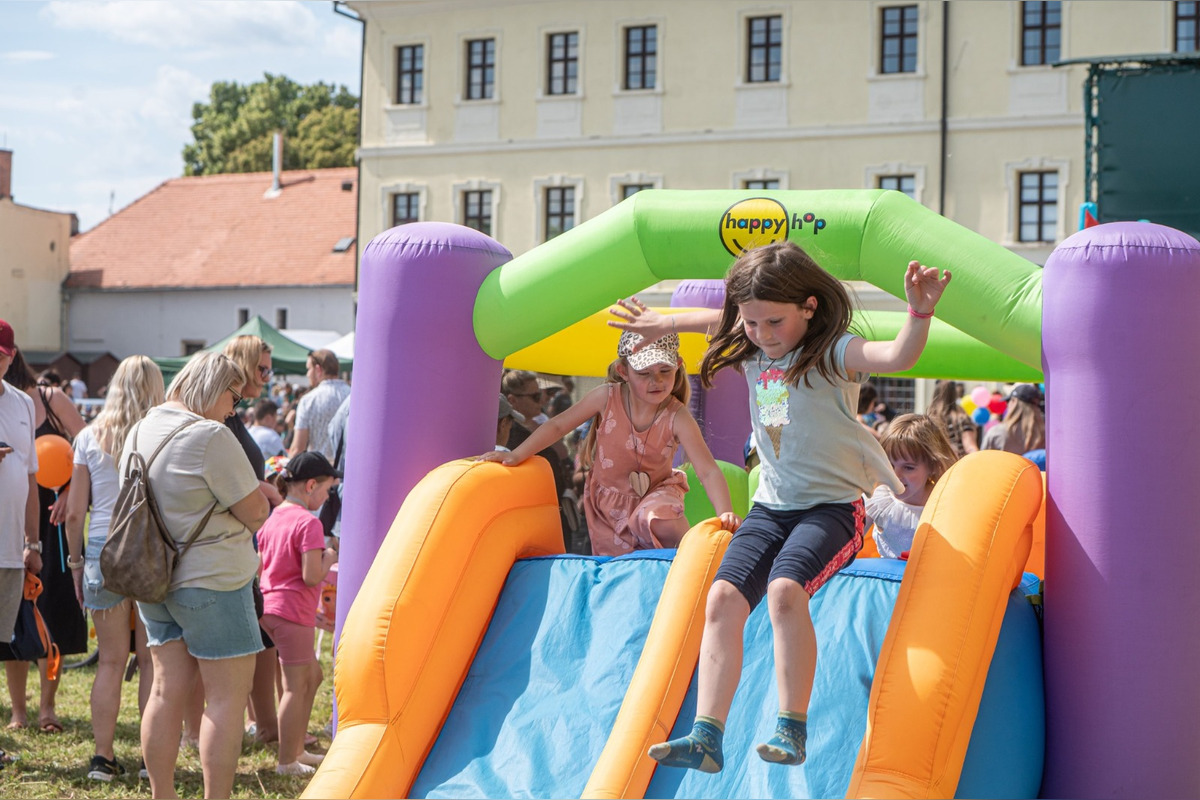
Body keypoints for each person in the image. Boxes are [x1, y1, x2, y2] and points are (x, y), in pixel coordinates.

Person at [610, 240, 950, 771]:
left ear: (809, 307)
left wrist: (919, 311)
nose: (762, 335)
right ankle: (706, 735)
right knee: (722, 598)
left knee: (785, 591)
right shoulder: (751, 348)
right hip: (771, 506)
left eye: (775, 322)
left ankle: (791, 728)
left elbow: (896, 357)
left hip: (832, 509)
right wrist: (663, 323)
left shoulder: (832, 352)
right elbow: (715, 318)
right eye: (751, 323)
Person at [127, 351, 269, 800]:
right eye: (234, 397)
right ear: (213, 388)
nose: (235, 409)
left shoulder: (141, 426)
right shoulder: (211, 435)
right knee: (227, 699)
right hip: (213, 580)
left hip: (152, 576)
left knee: (165, 692)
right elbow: (257, 512)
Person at [482, 332, 742, 555]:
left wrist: (725, 514)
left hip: (656, 492)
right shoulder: (607, 397)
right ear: (623, 371)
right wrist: (516, 455)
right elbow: (558, 425)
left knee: (656, 517)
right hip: (608, 503)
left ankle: (686, 558)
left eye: (665, 371)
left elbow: (707, 470)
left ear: (679, 366)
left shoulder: (676, 416)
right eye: (645, 373)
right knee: (616, 566)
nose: (657, 381)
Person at [64, 355, 164, 781]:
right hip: (146, 549)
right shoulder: (160, 436)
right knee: (150, 661)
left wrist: (73, 562)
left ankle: (102, 758)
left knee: (108, 662)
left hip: (102, 549)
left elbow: (73, 513)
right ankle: (149, 760)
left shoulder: (88, 436)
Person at [1, 344, 87, 733]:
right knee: (14, 621)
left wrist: (70, 490)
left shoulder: (49, 399)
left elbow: (88, 448)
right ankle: (18, 712)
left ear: (13, 355)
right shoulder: (10, 403)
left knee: (52, 612)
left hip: (52, 526)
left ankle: (47, 709)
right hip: (13, 521)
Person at [258, 451, 340, 776]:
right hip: (293, 612)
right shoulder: (309, 522)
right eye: (327, 489)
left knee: (313, 676)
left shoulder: (275, 515)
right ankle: (287, 761)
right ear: (310, 486)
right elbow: (310, 575)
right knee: (294, 687)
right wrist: (330, 556)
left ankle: (296, 750)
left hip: (270, 608)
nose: (327, 496)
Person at [221, 335, 282, 749]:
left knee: (258, 633)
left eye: (269, 370)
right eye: (261, 369)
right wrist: (264, 488)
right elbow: (224, 474)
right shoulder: (223, 417)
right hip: (227, 545)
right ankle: (256, 727)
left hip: (245, 540)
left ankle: (267, 727)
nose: (267, 377)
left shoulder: (234, 415)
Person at [0, 322, 43, 750]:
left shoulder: (22, 404)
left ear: (10, 357)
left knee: (2, 643)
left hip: (12, 550)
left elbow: (32, 480)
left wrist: (33, 543)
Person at [864, 414, 958, 560]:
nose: (895, 475)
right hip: (887, 580)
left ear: (932, 466)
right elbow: (847, 542)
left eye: (908, 468)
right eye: (889, 464)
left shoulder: (944, 505)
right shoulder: (879, 498)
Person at [289, 349, 350, 461]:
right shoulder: (352, 396)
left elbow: (298, 448)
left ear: (318, 369)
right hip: (347, 470)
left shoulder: (309, 400)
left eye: (309, 369)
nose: (307, 374)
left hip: (318, 473)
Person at [982, 383, 1045, 455]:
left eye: (1008, 401)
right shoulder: (1046, 435)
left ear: (1014, 402)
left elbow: (981, 461)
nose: (1007, 405)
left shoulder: (997, 432)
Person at [926, 379, 978, 458]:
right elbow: (970, 448)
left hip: (936, 466)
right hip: (957, 465)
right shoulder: (962, 418)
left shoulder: (928, 419)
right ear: (954, 395)